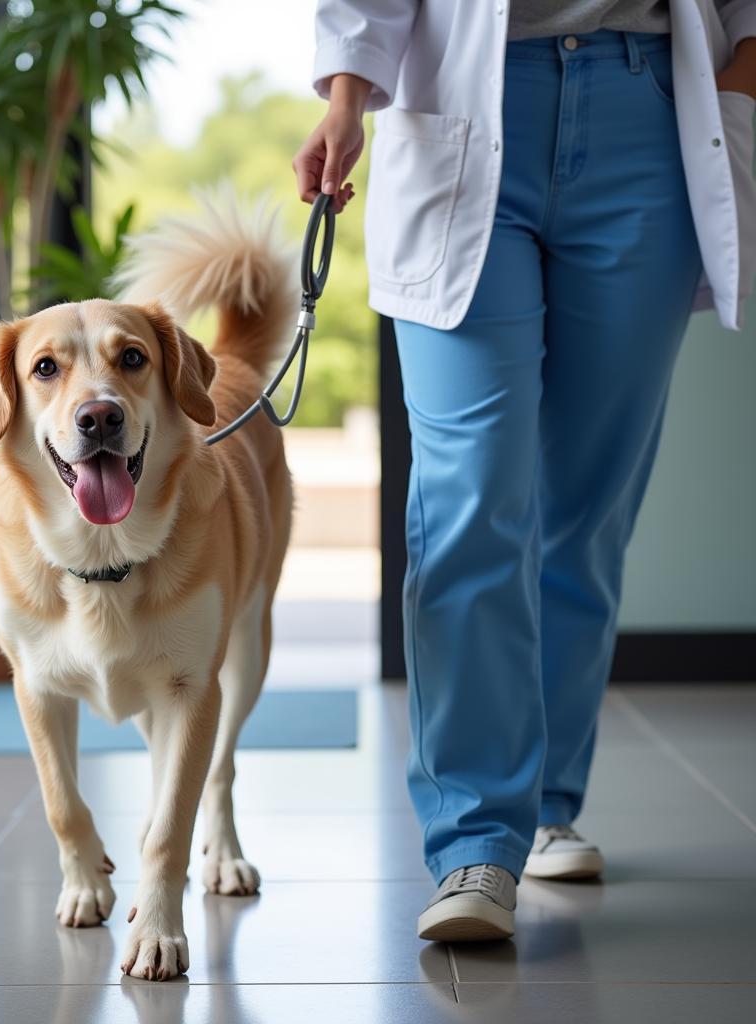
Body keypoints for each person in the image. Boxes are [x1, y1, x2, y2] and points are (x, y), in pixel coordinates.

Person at [293, 0, 756, 942]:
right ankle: (474, 841)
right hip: (470, 105)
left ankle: (545, 803)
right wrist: (345, 95)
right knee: (470, 498)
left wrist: (739, 81)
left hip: (649, 112)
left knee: (586, 506)